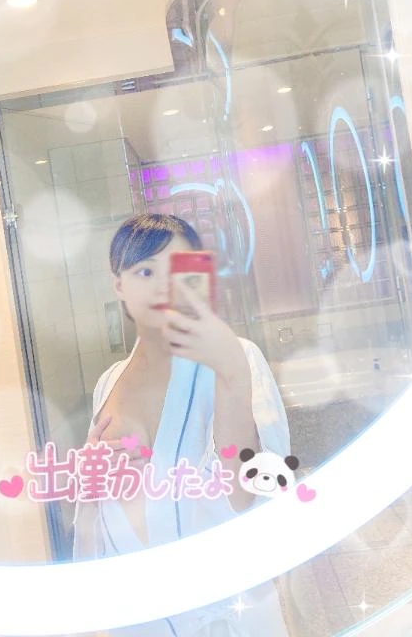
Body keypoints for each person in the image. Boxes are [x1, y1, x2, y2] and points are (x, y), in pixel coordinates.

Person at [73, 213, 292, 637]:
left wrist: (231, 373)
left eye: (178, 269)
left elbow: (251, 495)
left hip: (227, 616)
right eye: (145, 271)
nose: (163, 285)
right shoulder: (108, 383)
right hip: (137, 618)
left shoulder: (237, 358)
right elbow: (95, 522)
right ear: (119, 286)